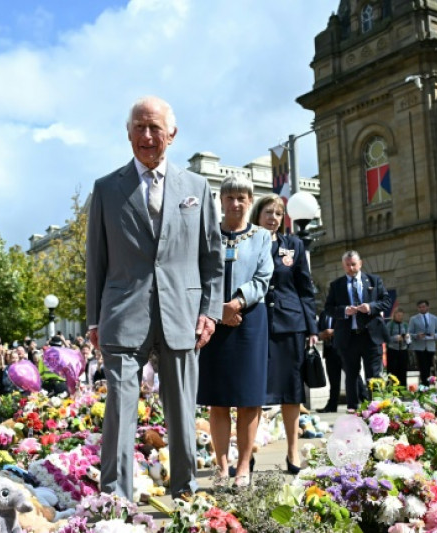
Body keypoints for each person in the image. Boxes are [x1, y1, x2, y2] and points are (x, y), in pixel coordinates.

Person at [85, 96, 223, 501]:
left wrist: (210, 312)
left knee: (182, 411)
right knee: (120, 411)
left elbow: (211, 257)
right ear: (128, 134)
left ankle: (185, 494)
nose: (147, 136)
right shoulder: (107, 189)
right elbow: (97, 260)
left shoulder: (196, 188)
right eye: (139, 128)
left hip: (182, 313)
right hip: (123, 315)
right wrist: (94, 319)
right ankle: (115, 500)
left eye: (155, 128)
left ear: (172, 134)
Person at [197, 176, 272, 489]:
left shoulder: (263, 236)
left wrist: (237, 302)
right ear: (221, 200)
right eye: (230, 198)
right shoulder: (208, 234)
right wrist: (218, 309)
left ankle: (243, 466)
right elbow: (199, 274)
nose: (236, 203)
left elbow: (264, 276)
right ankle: (221, 465)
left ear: (250, 200)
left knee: (248, 400)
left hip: (249, 321)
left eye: (242, 197)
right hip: (213, 322)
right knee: (217, 400)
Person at [251, 193, 317, 475]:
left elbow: (305, 287)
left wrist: (312, 327)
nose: (274, 218)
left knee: (291, 392)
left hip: (290, 323)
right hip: (256, 323)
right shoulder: (246, 242)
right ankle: (248, 451)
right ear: (257, 215)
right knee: (252, 392)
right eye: (268, 212)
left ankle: (292, 451)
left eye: (278, 214)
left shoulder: (294, 245)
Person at [324, 250, 391, 413]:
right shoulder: (336, 285)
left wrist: (371, 307)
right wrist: (344, 310)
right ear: (343, 266)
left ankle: (376, 409)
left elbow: (386, 301)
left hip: (371, 336)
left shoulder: (374, 281)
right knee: (351, 375)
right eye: (347, 265)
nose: (351, 268)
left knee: (373, 375)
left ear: (360, 264)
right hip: (348, 337)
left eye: (353, 264)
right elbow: (328, 309)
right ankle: (352, 409)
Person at [408, 299, 437, 387]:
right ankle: (424, 386)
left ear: (428, 307)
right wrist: (417, 336)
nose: (422, 309)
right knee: (423, 368)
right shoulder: (413, 319)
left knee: (432, 367)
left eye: (424, 307)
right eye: (420, 307)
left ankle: (432, 383)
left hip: (430, 346)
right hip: (419, 347)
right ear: (418, 308)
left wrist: (434, 336)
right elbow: (409, 333)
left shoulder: (434, 318)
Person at [317, 309, 342, 413]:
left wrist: (333, 332)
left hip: (343, 350)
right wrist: (320, 334)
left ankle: (363, 401)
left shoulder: (343, 311)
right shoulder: (324, 313)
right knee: (333, 381)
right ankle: (332, 405)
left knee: (354, 378)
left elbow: (348, 328)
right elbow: (317, 329)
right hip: (329, 351)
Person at [385, 307, 411, 387]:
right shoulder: (389, 325)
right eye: (398, 315)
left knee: (403, 370)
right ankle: (392, 389)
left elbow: (409, 341)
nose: (400, 317)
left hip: (403, 350)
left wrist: (407, 338)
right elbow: (386, 338)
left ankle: (403, 388)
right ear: (394, 315)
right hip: (392, 350)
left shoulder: (405, 325)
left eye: (401, 315)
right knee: (392, 371)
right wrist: (396, 338)